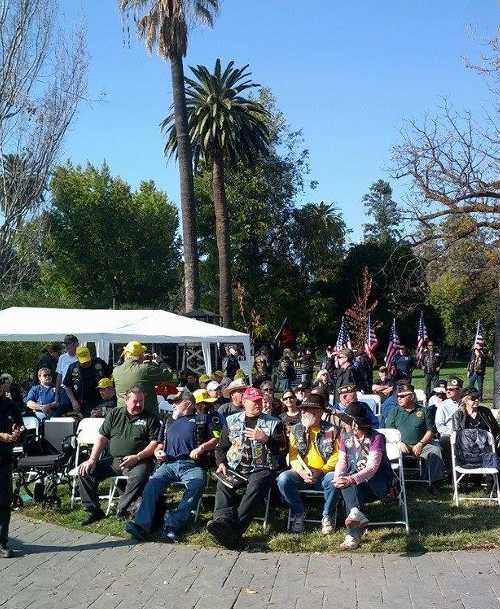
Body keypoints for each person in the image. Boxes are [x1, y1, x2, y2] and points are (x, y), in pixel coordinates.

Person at [126, 390, 221, 543]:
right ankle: (141, 526)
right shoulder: (169, 421)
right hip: (168, 463)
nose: (174, 405)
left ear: (188, 403)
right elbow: (160, 444)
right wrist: (158, 452)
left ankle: (173, 524)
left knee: (197, 484)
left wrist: (201, 448)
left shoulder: (202, 419)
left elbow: (216, 440)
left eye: (177, 402)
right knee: (152, 485)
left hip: (192, 465)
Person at [206, 387, 287, 549]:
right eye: (254, 401)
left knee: (256, 487)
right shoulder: (231, 420)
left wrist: (266, 439)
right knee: (223, 483)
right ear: (244, 402)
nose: (258, 403)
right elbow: (221, 447)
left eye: (259, 400)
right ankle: (222, 522)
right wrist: (221, 462)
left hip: (262, 467)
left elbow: (282, 449)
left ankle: (234, 531)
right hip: (236, 466)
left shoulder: (274, 422)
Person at [77, 386, 160, 524]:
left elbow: (154, 444)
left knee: (139, 476)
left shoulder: (150, 417)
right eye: (135, 401)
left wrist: (137, 457)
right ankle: (94, 511)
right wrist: (92, 459)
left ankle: (122, 509)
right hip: (115, 461)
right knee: (85, 471)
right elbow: (102, 438)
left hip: (139, 460)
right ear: (126, 400)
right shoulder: (115, 414)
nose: (139, 404)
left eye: (141, 401)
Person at [334, 401, 395, 550]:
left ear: (355, 424)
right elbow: (342, 461)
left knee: (350, 481)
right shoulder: (345, 437)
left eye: (346, 421)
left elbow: (372, 468)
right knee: (346, 483)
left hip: (380, 485)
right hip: (359, 484)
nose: (343, 424)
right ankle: (354, 523)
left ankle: (355, 522)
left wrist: (350, 479)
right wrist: (338, 477)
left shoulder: (376, 438)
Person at [277, 394, 339, 534]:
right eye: (302, 409)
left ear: (319, 412)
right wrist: (300, 471)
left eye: (307, 409)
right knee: (283, 479)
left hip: (324, 474)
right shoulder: (296, 429)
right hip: (302, 474)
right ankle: (298, 513)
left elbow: (337, 456)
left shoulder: (332, 430)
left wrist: (322, 470)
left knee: (334, 478)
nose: (303, 412)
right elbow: (293, 455)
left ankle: (327, 516)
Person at [386, 383, 445, 493]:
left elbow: (431, 430)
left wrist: (420, 444)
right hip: (399, 446)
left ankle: (435, 484)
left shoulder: (424, 411)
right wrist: (397, 443)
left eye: (403, 396)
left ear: (412, 396)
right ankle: (392, 484)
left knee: (435, 450)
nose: (399, 398)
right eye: (398, 396)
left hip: (421, 445)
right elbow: (388, 432)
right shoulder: (394, 412)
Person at [113, 341, 172, 416]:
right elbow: (169, 375)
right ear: (141, 355)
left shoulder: (116, 371)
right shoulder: (146, 369)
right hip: (145, 416)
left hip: (122, 416)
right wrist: (160, 362)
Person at [0, 378, 23, 558]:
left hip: (4, 459)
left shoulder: (10, 405)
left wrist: (17, 432)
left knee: (3, 501)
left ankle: (2, 543)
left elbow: (20, 425)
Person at [62, 347, 111, 417]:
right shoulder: (72, 368)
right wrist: (73, 401)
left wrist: (108, 389)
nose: (86, 363)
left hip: (101, 400)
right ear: (77, 358)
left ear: (90, 355)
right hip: (83, 403)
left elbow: (110, 375)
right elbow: (67, 386)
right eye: (83, 362)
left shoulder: (99, 363)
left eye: (87, 360)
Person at [435, 377, 463, 471]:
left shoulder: (466, 402)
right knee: (444, 441)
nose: (448, 391)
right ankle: (452, 472)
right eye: (447, 389)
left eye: (451, 389)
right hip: (449, 434)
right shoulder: (443, 405)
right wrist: (452, 433)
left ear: (459, 390)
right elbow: (439, 426)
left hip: (465, 433)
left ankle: (473, 476)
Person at [55, 335, 79, 414]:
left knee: (78, 412)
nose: (66, 346)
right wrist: (56, 395)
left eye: (68, 343)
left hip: (78, 389)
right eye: (65, 344)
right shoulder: (62, 357)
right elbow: (59, 376)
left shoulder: (80, 356)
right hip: (64, 390)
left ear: (76, 344)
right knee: (64, 413)